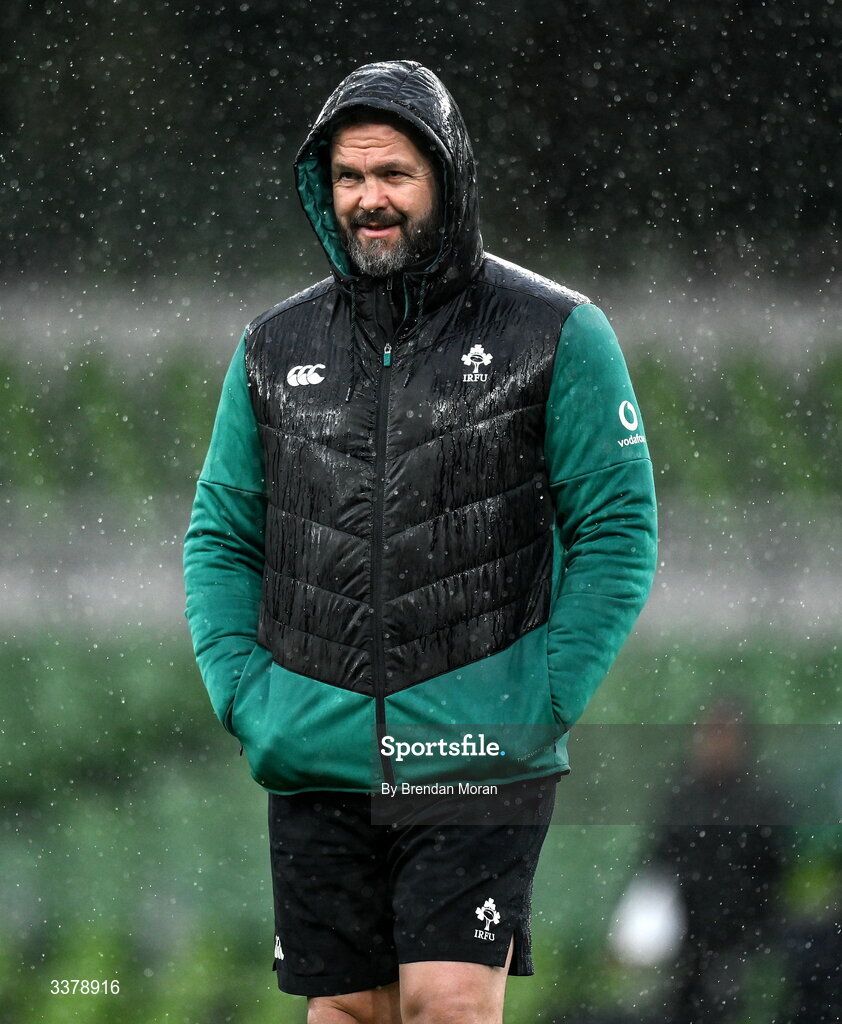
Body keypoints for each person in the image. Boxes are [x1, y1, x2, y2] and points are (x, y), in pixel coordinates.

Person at [184, 60, 657, 1024]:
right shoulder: (271, 349)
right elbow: (221, 534)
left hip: (482, 745)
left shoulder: (557, 331)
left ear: (447, 178)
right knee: (348, 1016)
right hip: (315, 748)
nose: (371, 200)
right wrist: (244, 693)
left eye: (394, 174)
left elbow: (618, 532)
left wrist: (542, 693)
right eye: (350, 178)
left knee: (446, 1006)